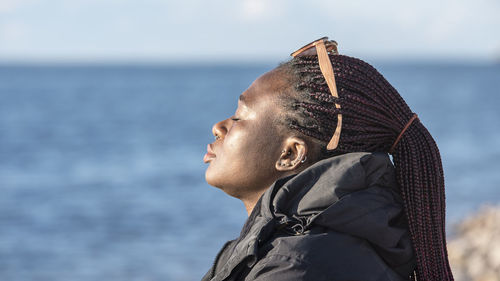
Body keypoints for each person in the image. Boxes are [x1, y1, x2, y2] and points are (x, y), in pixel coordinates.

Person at [201, 37, 454, 281]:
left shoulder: (294, 267)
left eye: (239, 117)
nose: (218, 127)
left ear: (290, 154)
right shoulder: (323, 246)